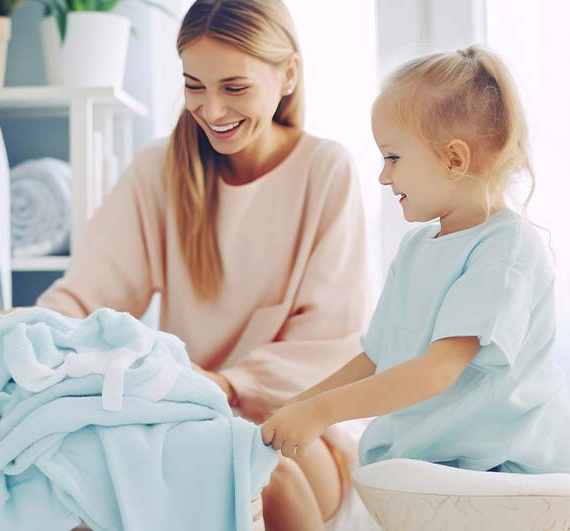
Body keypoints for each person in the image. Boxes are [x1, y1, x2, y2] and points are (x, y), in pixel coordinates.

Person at [32, 1, 371, 528]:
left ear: (288, 75)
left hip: (300, 427)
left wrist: (227, 384)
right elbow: (85, 294)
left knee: (253, 465)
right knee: (96, 476)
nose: (212, 110)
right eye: (195, 86)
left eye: (234, 88)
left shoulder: (326, 171)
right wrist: (33, 341)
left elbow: (331, 341)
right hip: (185, 416)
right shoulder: (158, 171)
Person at [261, 45, 570, 478]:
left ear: (454, 160)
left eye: (392, 156)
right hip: (438, 465)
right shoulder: (416, 248)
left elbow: (437, 371)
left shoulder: (504, 248)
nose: (382, 175)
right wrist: (300, 404)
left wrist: (322, 412)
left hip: (504, 472)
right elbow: (376, 357)